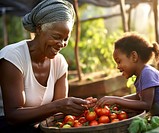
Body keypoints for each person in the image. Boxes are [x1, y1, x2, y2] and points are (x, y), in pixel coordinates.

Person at [0, 0, 96, 132]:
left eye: (66, 38)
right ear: (39, 29)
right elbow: (13, 116)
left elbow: (58, 115)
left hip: (41, 127)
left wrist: (82, 107)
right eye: (57, 36)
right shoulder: (13, 57)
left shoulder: (60, 63)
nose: (62, 44)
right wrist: (57, 106)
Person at [95, 32, 159, 119]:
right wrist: (115, 101)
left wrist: (116, 100)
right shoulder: (141, 75)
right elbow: (138, 97)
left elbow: (146, 104)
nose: (117, 67)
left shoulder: (147, 73)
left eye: (119, 61)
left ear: (134, 56)